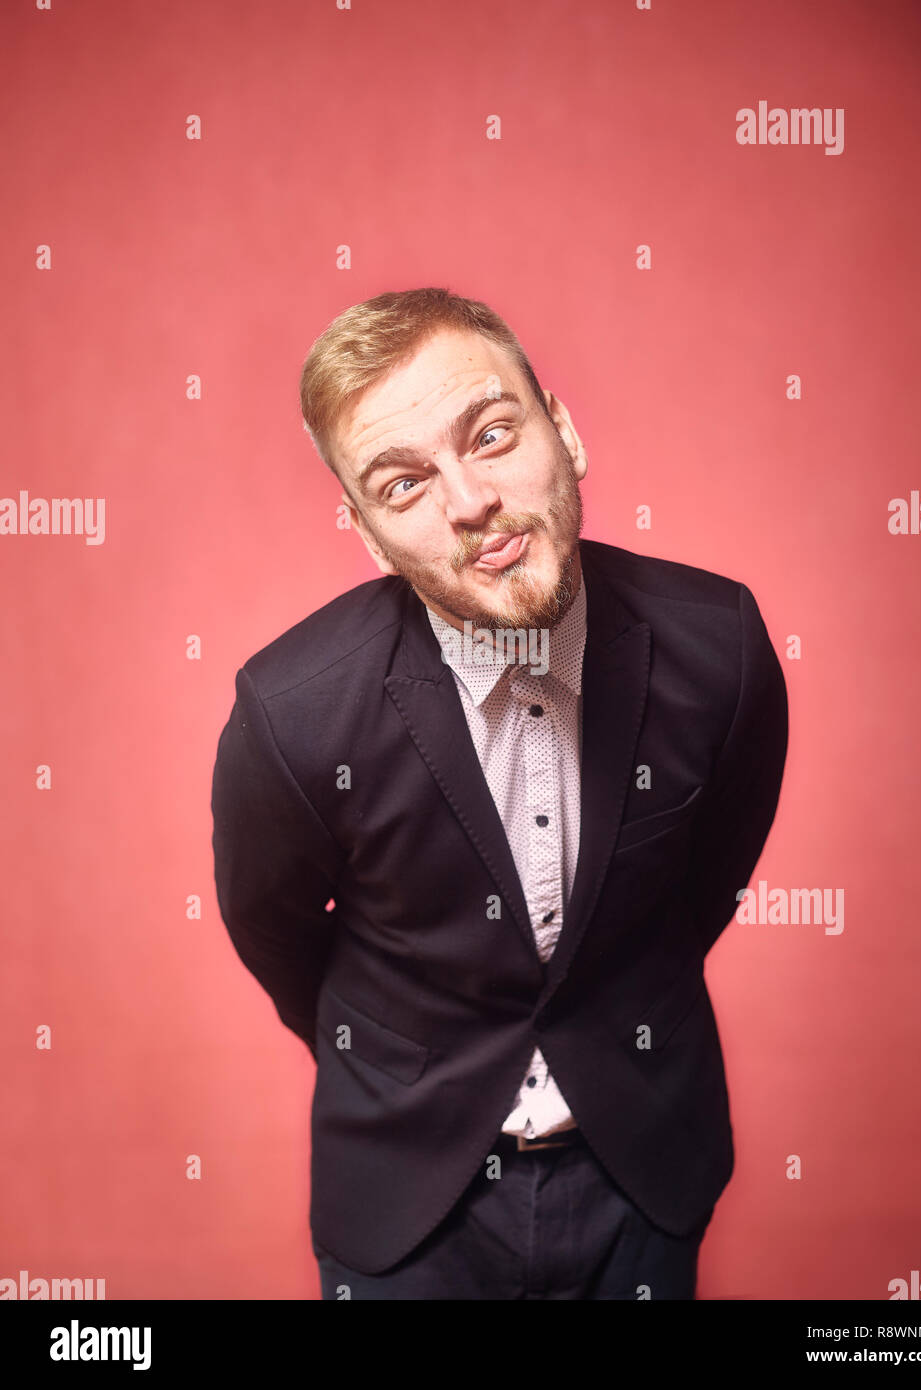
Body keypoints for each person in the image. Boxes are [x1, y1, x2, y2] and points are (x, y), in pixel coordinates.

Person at [210, 286, 789, 1299]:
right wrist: (399, 1054)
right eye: (402, 485)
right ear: (364, 533)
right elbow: (278, 935)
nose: (468, 500)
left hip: (644, 1173)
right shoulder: (291, 712)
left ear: (560, 427)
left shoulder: (720, 645)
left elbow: (709, 881)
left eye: (489, 433)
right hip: (406, 1200)